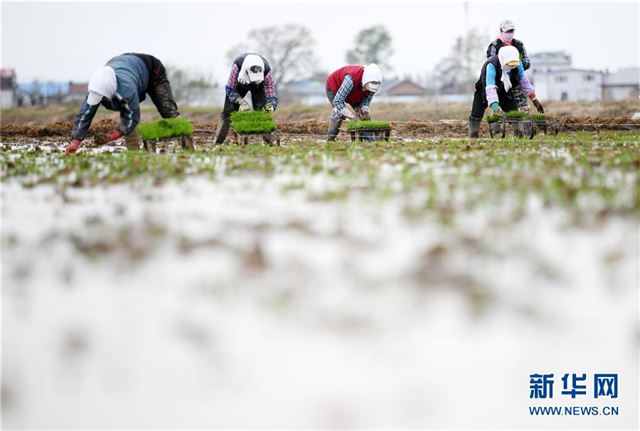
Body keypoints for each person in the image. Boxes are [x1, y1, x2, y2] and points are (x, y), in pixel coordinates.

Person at [66, 53, 179, 154]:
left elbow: (132, 117)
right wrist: (75, 142)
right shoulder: (96, 88)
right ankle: (134, 155)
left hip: (152, 70)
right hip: (125, 64)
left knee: (169, 112)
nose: (101, 101)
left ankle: (186, 143)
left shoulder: (126, 90)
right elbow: (84, 115)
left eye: (103, 98)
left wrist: (116, 134)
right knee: (127, 122)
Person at [468, 46, 544, 138]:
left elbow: (525, 82)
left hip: (504, 90)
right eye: (510, 64)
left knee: (514, 113)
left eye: (514, 65)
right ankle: (473, 137)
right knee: (476, 113)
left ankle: (520, 137)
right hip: (484, 89)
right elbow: (490, 88)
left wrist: (534, 99)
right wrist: (495, 106)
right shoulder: (491, 66)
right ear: (503, 60)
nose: (512, 67)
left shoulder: (518, 64)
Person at [214, 53, 278, 144]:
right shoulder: (237, 67)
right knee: (228, 112)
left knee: (262, 111)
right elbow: (230, 88)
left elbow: (270, 90)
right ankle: (218, 142)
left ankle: (268, 142)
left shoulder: (266, 71)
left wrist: (271, 104)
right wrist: (240, 101)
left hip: (258, 87)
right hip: (239, 86)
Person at [325, 63, 383, 141]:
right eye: (368, 87)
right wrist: (351, 116)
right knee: (339, 113)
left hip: (355, 92)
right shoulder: (351, 79)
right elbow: (338, 101)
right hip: (335, 87)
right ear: (365, 80)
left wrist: (365, 110)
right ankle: (331, 139)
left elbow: (366, 100)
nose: (368, 90)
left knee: (362, 114)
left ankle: (368, 140)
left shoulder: (373, 84)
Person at [487, 19, 531, 111]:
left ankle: (522, 121)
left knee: (522, 107)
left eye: (511, 31)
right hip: (499, 80)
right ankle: (497, 118)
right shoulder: (494, 46)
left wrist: (517, 64)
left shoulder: (519, 45)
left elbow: (527, 61)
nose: (509, 33)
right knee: (499, 105)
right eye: (507, 31)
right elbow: (491, 62)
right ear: (501, 31)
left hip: (516, 78)